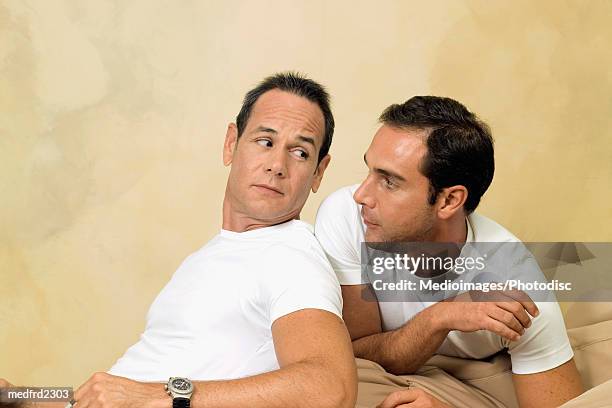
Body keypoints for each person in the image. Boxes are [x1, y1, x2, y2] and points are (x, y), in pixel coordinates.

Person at [0, 72, 357, 408]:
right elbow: (107, 394)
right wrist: (21, 394)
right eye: (265, 141)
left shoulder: (291, 256)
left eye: (300, 152)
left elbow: (330, 387)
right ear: (231, 144)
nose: (277, 164)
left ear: (318, 172)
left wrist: (164, 393)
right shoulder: (211, 256)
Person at [314, 96, 583, 407]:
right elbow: (353, 352)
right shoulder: (348, 216)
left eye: (389, 182)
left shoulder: (516, 286)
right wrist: (440, 317)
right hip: (394, 372)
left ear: (448, 201)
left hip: (484, 382)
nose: (361, 194)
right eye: (370, 171)